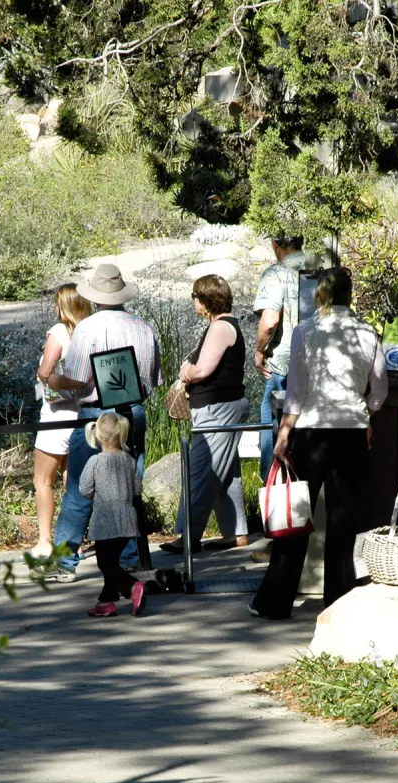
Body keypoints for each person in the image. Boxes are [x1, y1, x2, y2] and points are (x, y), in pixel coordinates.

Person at [250, 267, 388, 620]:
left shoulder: (305, 331)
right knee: (344, 522)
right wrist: (368, 411)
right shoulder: (367, 332)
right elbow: (380, 388)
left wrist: (284, 433)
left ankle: (274, 602)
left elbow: (296, 390)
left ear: (321, 294)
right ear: (350, 294)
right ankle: (338, 605)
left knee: (297, 517)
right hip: (353, 430)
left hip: (311, 431)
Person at [44, 263, 161, 582]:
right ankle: (132, 556)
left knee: (80, 488)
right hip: (133, 412)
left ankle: (65, 561)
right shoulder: (144, 327)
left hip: (97, 414)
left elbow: (79, 379)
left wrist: (55, 381)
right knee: (128, 488)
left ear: (95, 297)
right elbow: (152, 380)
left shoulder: (88, 328)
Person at [161, 274, 250, 555]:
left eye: (195, 297)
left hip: (217, 410)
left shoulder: (221, 327)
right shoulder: (223, 325)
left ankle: (188, 536)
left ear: (205, 300)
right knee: (225, 474)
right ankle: (236, 533)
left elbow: (202, 371)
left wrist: (186, 371)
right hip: (222, 408)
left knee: (200, 471)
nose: (193, 302)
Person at [30, 284, 92, 558]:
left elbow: (45, 372)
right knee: (72, 483)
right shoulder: (90, 331)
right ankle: (72, 541)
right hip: (80, 415)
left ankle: (45, 540)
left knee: (43, 481)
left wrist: (52, 379)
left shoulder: (59, 331)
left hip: (55, 415)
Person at [78, 412, 148, 617]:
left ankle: (132, 587)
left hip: (104, 520)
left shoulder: (95, 461)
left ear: (98, 436)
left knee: (104, 562)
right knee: (111, 561)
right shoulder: (129, 460)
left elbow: (84, 489)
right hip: (126, 519)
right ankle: (106, 602)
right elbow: (137, 489)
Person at [252, 235, 310, 482]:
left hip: (284, 365)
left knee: (273, 427)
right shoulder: (319, 267)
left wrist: (259, 351)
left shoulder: (276, 273)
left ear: (276, 245)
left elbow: (270, 320)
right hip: (317, 365)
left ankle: (273, 489)